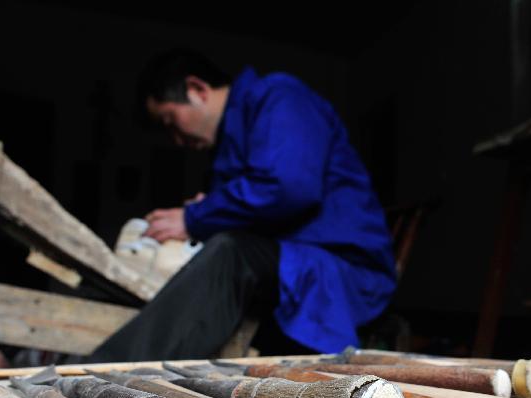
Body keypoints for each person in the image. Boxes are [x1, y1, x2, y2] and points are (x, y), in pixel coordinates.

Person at [88, 49, 396, 361]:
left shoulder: (279, 96)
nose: (176, 139)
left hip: (340, 268)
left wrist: (195, 218)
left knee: (231, 252)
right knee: (225, 252)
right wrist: (212, 209)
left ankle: (101, 371)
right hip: (289, 259)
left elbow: (289, 188)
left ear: (197, 89)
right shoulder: (226, 150)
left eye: (170, 120)